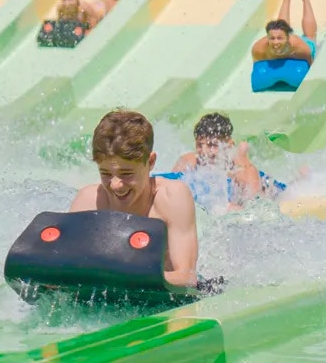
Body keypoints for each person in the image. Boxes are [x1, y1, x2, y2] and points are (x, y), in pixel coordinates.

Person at [69, 109, 198, 287]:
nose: (116, 185)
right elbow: (66, 268)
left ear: (151, 162)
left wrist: (124, 275)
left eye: (126, 173)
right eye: (105, 173)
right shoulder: (89, 201)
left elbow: (187, 278)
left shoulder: (171, 198)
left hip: (160, 295)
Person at [172, 113, 266, 209]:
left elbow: (255, 204)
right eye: (199, 145)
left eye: (212, 145)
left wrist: (241, 157)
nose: (204, 152)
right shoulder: (190, 161)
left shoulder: (239, 168)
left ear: (229, 145)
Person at [252, 0, 318, 65]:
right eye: (272, 38)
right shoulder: (259, 48)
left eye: (279, 38)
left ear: (288, 37)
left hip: (296, 51)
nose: (275, 42)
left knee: (310, 36)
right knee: (279, 28)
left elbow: (310, 63)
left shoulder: (298, 46)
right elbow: (258, 69)